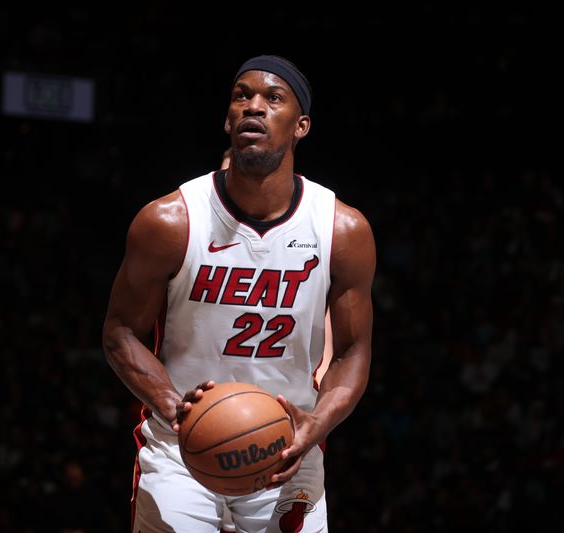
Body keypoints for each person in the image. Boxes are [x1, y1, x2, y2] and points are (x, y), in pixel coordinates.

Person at [103, 54, 376, 532]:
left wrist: (318, 425)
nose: (253, 106)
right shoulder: (169, 221)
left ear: (301, 125)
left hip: (287, 443)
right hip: (181, 446)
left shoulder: (342, 229)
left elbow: (352, 351)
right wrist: (177, 409)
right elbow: (120, 332)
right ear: (227, 119)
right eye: (241, 96)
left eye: (272, 98)